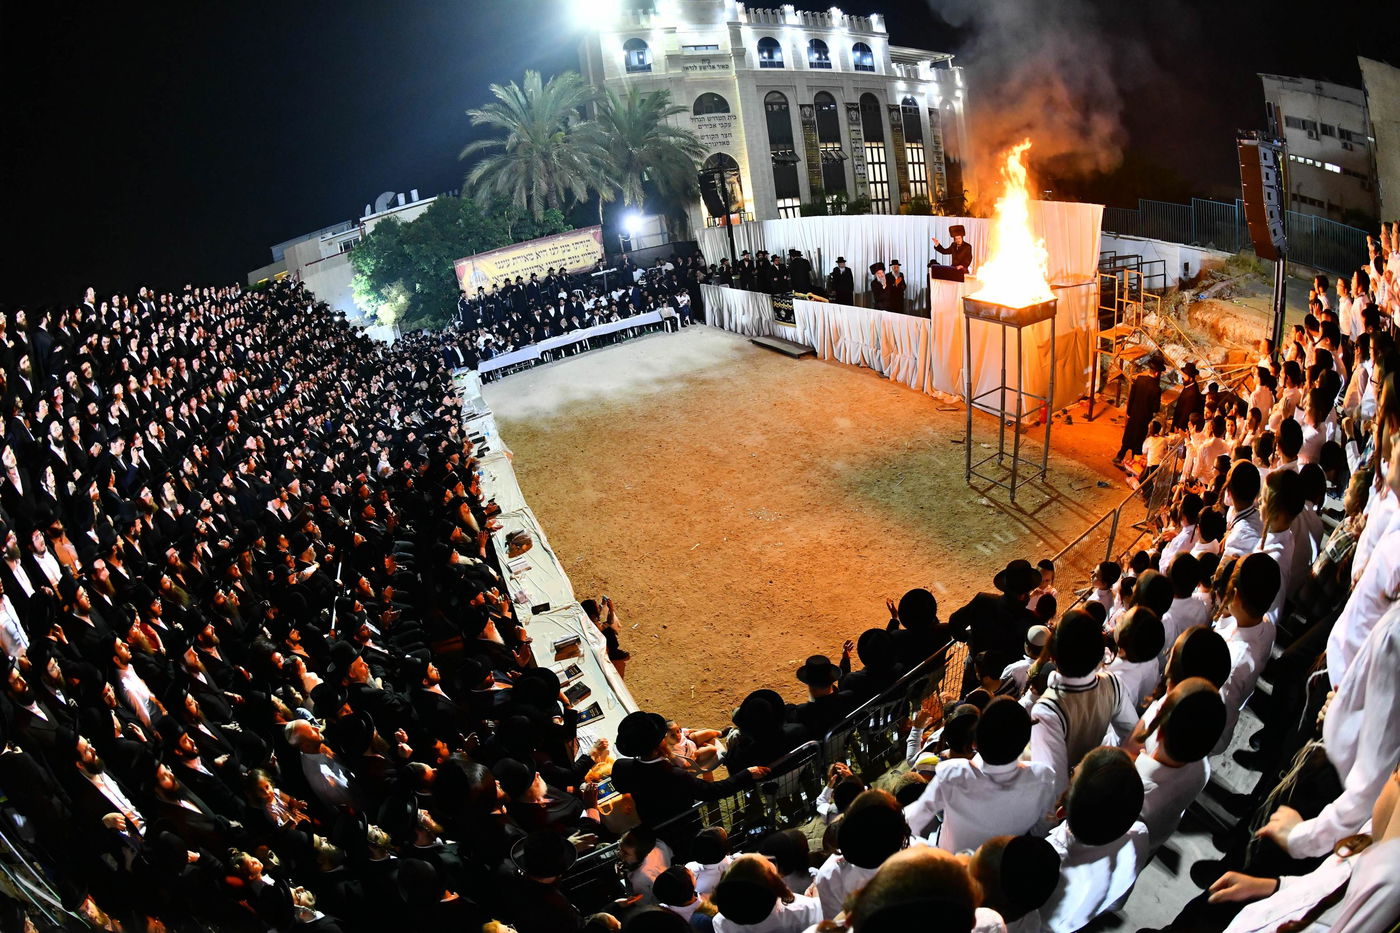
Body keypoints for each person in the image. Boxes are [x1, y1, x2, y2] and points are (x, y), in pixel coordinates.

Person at [902, 696, 1055, 854]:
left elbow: (913, 821)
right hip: (1001, 864)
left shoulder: (953, 773)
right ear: (1024, 742)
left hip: (951, 864)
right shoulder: (1044, 777)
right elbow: (1042, 830)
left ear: (975, 742)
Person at [1039, 747, 1150, 933]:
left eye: (1073, 773)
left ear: (1062, 811)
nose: (1073, 767)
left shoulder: (1047, 861)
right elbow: (1115, 902)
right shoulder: (1139, 836)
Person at [1029, 609, 1139, 795]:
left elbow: (1053, 782)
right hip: (1093, 783)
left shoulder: (1047, 709)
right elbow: (1133, 736)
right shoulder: (1112, 683)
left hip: (1068, 800)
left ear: (1054, 656)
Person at [710, 854, 820, 933]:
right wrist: (818, 895)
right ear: (776, 885)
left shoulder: (720, 922)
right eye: (769, 868)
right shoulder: (807, 908)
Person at [1116, 356, 1165, 466]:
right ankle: (1133, 463)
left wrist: (1128, 412)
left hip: (1133, 415)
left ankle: (1120, 456)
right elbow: (1155, 408)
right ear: (1157, 373)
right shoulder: (1156, 389)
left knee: (1128, 436)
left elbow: (1131, 397)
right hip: (1143, 419)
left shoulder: (1139, 380)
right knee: (1138, 443)